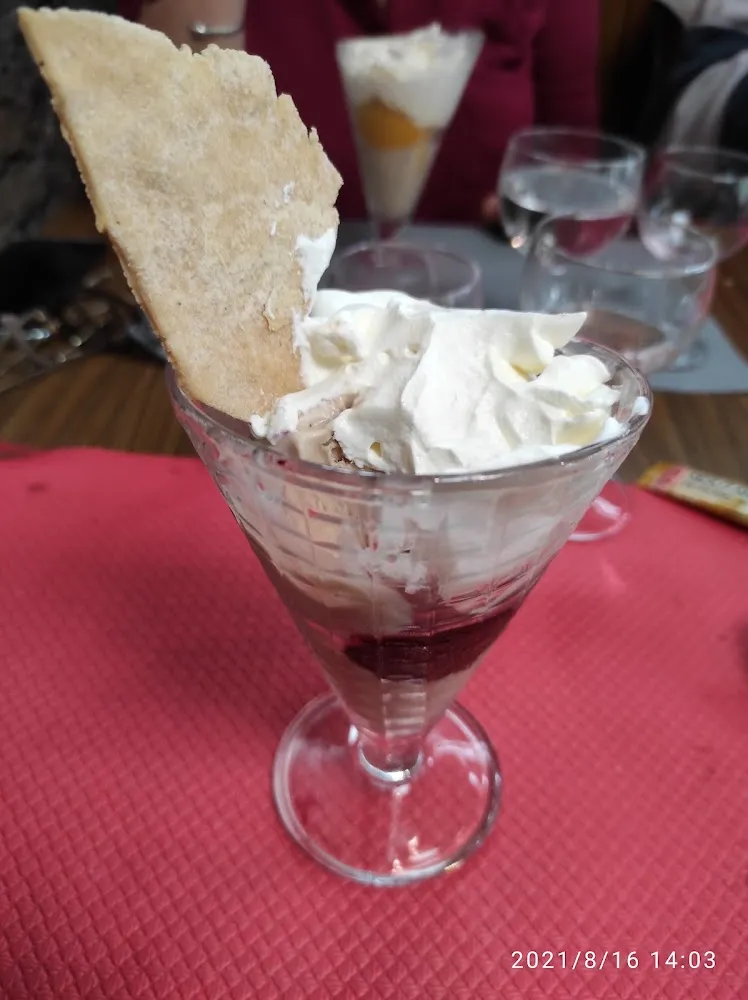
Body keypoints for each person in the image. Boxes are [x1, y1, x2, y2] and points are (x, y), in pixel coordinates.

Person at [119, 0, 599, 226]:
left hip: (478, 298)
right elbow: (170, 167)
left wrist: (549, 210)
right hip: (271, 290)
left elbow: (577, 160)